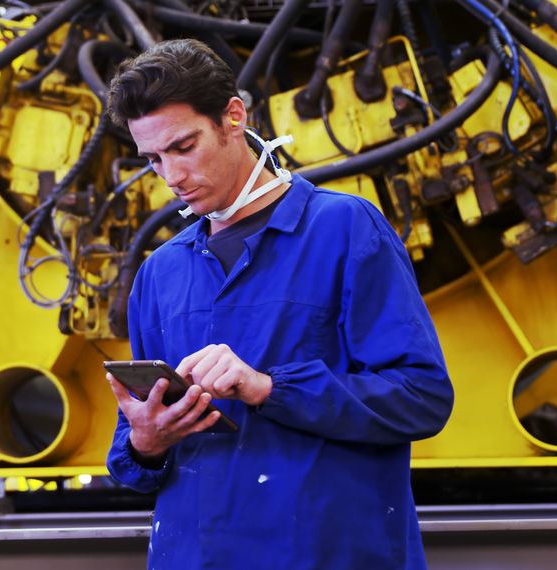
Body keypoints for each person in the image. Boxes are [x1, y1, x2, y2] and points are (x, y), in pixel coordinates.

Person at [104, 39, 455, 569]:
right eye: (153, 159)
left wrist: (268, 388)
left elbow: (421, 396)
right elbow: (133, 455)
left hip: (327, 553)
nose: (171, 176)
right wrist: (146, 440)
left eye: (183, 147)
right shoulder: (160, 274)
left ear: (233, 117)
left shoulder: (345, 230)